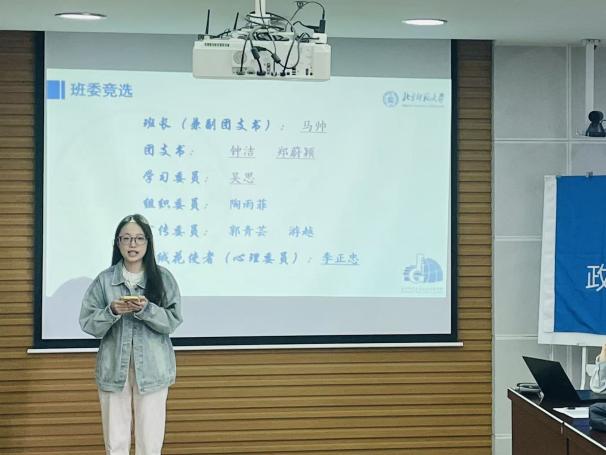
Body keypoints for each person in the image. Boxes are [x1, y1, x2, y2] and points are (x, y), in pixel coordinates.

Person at [79, 214, 183, 455]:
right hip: (113, 369)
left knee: (150, 443)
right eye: (126, 238)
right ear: (118, 243)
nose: (132, 244)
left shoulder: (163, 278)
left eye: (138, 238)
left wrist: (147, 310)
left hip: (154, 371)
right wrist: (112, 311)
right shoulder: (104, 280)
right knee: (115, 442)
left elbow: (172, 321)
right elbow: (88, 323)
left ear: (148, 243)